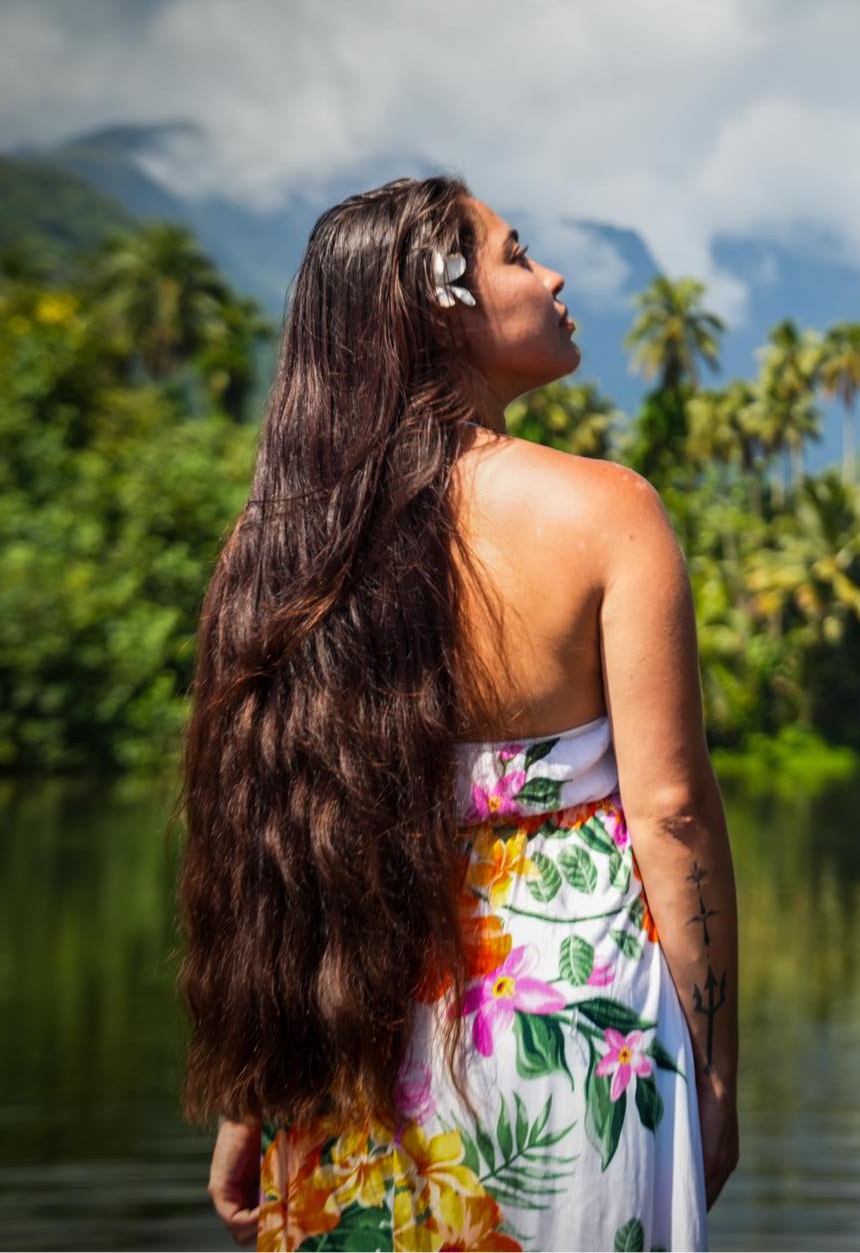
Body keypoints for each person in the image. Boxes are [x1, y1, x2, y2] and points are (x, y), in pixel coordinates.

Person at [174, 175, 739, 1250]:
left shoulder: (280, 540)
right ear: (441, 303)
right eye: (517, 254)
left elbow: (271, 831)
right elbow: (670, 812)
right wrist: (714, 1070)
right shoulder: (607, 511)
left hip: (340, 1027)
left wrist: (255, 1085)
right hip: (572, 1038)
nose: (553, 276)